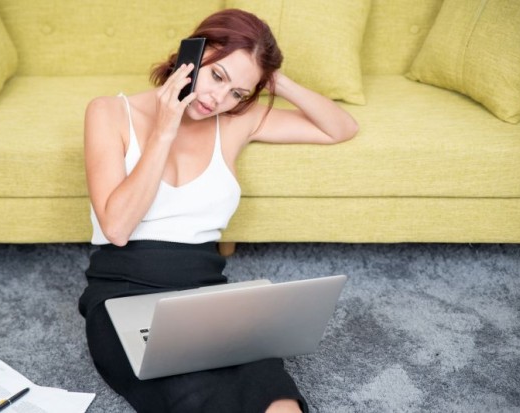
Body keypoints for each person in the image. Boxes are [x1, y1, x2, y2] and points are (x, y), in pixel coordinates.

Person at [78, 8, 358, 413]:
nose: (218, 100)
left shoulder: (235, 122)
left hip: (207, 299)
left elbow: (340, 128)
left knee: (276, 395)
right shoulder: (108, 113)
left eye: (238, 94)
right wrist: (165, 128)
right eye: (218, 76)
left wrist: (276, 81)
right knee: (197, 397)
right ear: (193, 52)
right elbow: (118, 227)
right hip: (123, 295)